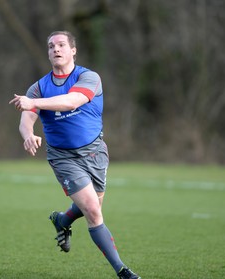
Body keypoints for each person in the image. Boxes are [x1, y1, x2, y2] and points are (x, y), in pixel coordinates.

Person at [9, 31, 141, 279]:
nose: (55, 49)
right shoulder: (38, 88)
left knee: (91, 206)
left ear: (73, 50)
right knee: (92, 210)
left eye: (61, 45)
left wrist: (35, 103)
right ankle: (122, 271)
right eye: (50, 46)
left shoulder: (89, 77)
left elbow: (72, 101)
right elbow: (26, 120)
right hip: (63, 157)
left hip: (95, 152)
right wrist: (28, 134)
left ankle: (62, 220)